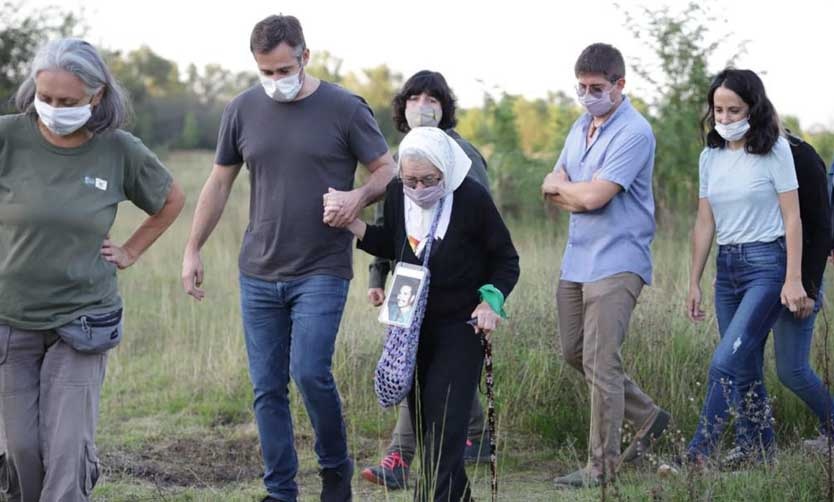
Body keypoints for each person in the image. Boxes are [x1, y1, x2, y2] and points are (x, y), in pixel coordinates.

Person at [180, 14, 394, 502]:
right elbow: (218, 182)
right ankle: (280, 491)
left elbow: (387, 170)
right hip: (257, 270)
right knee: (266, 389)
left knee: (309, 372)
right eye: (266, 72)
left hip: (321, 267)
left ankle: (336, 475)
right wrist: (192, 248)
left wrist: (358, 196)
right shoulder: (241, 110)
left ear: (305, 57)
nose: (276, 81)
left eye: (284, 69)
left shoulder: (345, 107)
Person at [0, 38, 184, 502]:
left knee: (66, 449)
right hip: (10, 318)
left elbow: (170, 199)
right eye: (45, 98)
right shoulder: (8, 136)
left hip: (82, 319)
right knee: (22, 450)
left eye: (67, 101)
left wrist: (131, 250)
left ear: (96, 96)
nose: (53, 109)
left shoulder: (118, 149)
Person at [329, 127, 519, 502]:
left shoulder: (471, 199)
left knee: (446, 423)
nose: (418, 188)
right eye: (410, 179)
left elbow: (506, 260)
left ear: (445, 171)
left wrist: (489, 303)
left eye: (428, 180)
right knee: (427, 427)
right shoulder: (400, 194)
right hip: (410, 328)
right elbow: (395, 243)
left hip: (461, 327)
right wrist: (353, 225)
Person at [542, 43, 670, 488]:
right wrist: (572, 191)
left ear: (620, 85)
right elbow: (550, 184)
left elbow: (595, 197)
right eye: (581, 86)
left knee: (600, 360)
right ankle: (648, 415)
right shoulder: (579, 127)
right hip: (576, 259)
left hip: (618, 259)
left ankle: (602, 468)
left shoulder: (635, 132)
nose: (587, 94)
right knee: (575, 352)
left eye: (596, 87)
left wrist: (570, 192)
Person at [362, 70, 491, 490]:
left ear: (444, 106)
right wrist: (377, 273)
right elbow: (390, 227)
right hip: (406, 285)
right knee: (409, 365)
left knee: (441, 370)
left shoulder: (465, 158)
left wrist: (488, 297)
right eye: (414, 97)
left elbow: (482, 231)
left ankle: (405, 456)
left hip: (453, 289)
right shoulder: (399, 158)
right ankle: (470, 435)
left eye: (431, 97)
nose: (423, 104)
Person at [685, 68, 807, 465]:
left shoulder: (776, 151)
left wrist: (793, 279)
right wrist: (694, 282)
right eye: (718, 110)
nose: (723, 119)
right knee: (744, 367)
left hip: (767, 266)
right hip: (728, 268)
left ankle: (698, 454)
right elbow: (705, 222)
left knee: (725, 359)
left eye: (732, 110)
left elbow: (792, 218)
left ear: (752, 108)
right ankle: (760, 452)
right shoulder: (710, 156)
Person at [769, 133, 834, 455]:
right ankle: (753, 440)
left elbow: (822, 226)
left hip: (798, 277)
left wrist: (808, 287)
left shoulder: (801, 156)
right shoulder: (736, 154)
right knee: (737, 363)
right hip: (756, 274)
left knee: (791, 370)